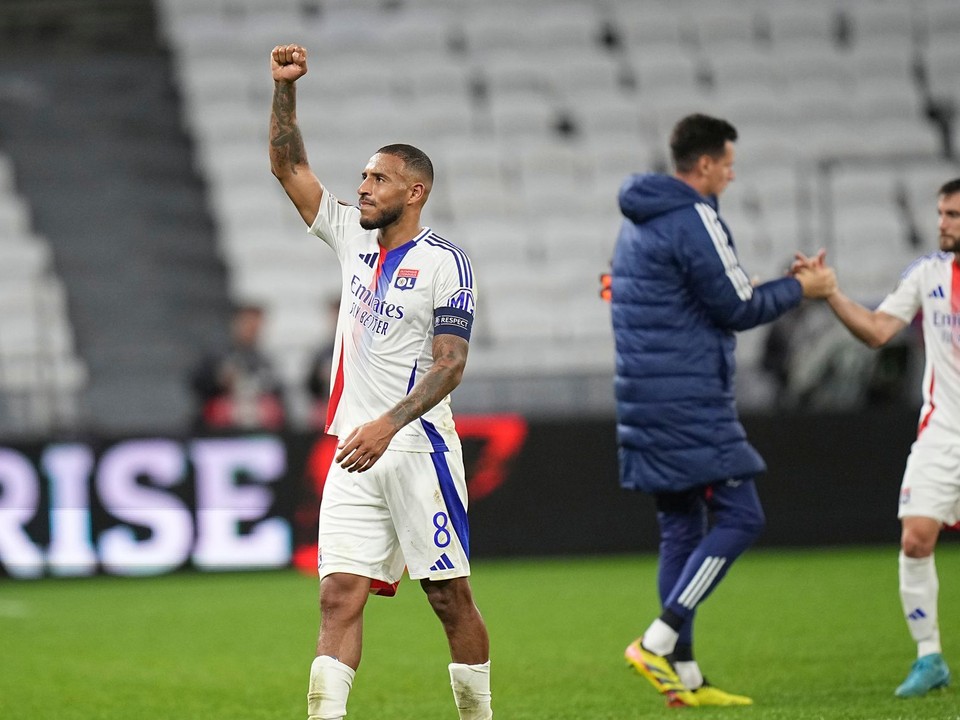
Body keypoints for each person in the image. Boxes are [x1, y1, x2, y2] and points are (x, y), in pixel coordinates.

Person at [268, 44, 492, 720]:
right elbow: (289, 165)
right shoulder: (350, 236)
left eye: (379, 179)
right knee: (338, 593)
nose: (362, 187)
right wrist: (284, 89)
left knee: (448, 598)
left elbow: (451, 365)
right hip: (352, 452)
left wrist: (386, 425)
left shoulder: (447, 264)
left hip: (417, 450)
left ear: (414, 192)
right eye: (363, 177)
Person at [609, 113, 837, 707]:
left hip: (644, 395)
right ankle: (657, 641)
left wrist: (762, 288)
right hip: (688, 399)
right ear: (705, 164)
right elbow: (737, 309)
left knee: (681, 527)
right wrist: (802, 290)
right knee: (743, 517)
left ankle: (684, 679)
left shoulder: (636, 222)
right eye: (729, 165)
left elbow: (695, 299)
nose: (732, 176)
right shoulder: (694, 217)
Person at [808, 177, 960, 698]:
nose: (942, 224)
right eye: (941, 214)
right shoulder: (926, 275)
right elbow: (875, 331)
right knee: (916, 538)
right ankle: (929, 657)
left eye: (954, 215)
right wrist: (830, 293)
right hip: (943, 430)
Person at [189, 303, 285, 430]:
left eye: (256, 325)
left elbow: (279, 395)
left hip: (256, 427)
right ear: (236, 323)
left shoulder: (265, 361)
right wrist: (219, 380)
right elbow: (197, 384)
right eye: (248, 323)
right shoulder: (217, 356)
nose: (252, 329)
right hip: (221, 430)